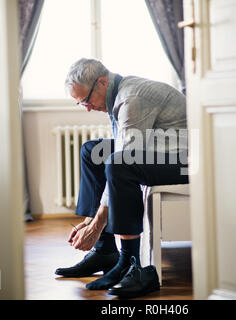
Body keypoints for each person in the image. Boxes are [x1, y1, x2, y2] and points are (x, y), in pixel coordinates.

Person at [55, 58, 189, 298]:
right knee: (92, 151)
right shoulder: (118, 93)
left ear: (102, 82)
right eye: (80, 103)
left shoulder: (131, 99)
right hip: (160, 151)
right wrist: (90, 221)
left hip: (184, 161)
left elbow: (123, 157)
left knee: (120, 164)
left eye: (85, 100)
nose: (86, 107)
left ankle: (131, 263)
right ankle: (105, 251)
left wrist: (96, 224)